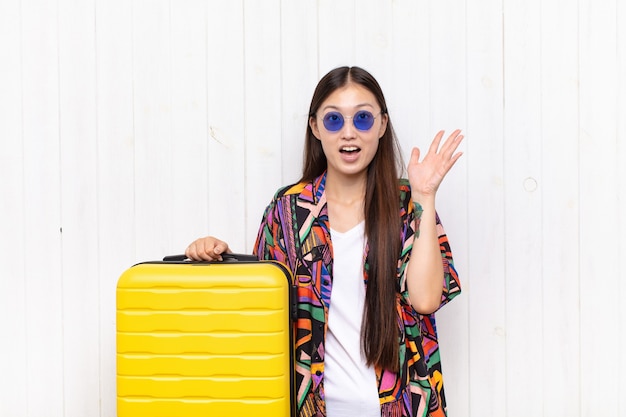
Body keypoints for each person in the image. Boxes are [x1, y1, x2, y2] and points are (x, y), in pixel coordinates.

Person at [185, 66, 463, 417]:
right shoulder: (287, 211)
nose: (349, 133)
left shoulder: (408, 203)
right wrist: (216, 258)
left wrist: (425, 195)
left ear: (381, 125)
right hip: (309, 408)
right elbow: (259, 310)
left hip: (400, 405)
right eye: (334, 120)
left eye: (362, 118)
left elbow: (424, 300)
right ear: (316, 127)